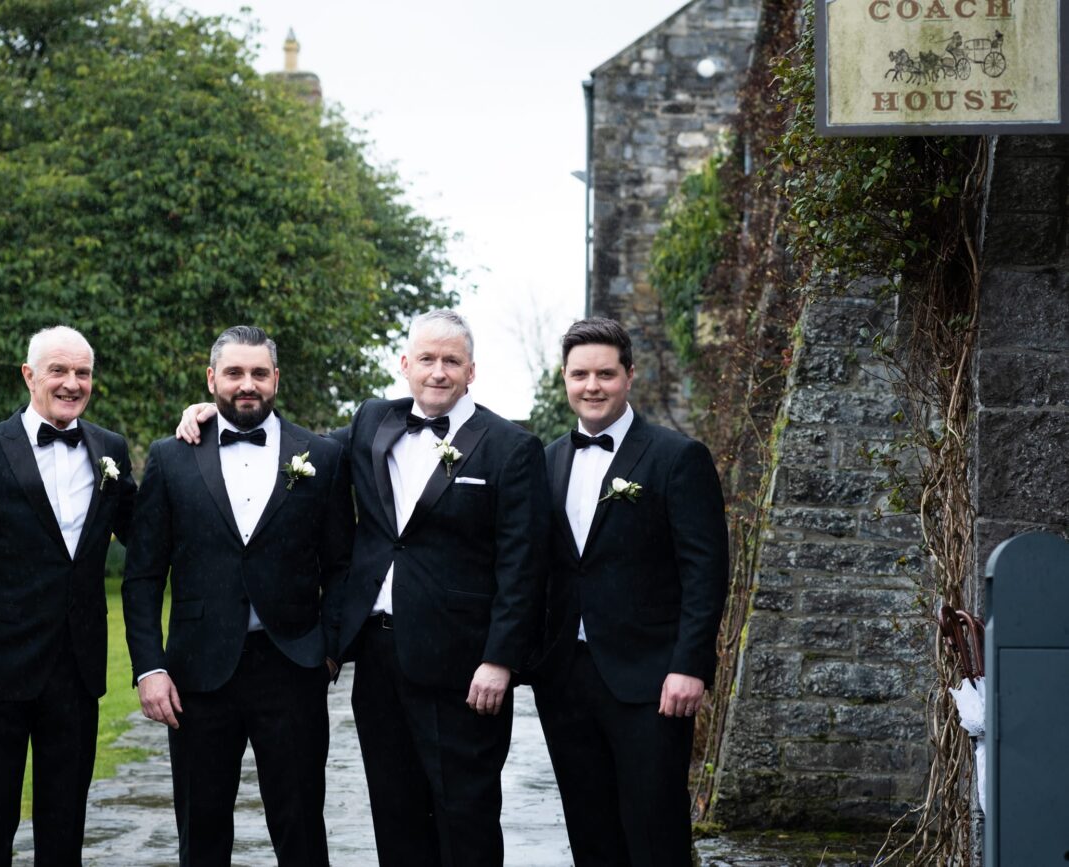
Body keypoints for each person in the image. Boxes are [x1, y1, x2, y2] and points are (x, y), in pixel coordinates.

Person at [176, 309, 550, 867]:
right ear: (405, 365)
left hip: (462, 665)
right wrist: (219, 417)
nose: (438, 372)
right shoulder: (374, 421)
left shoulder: (511, 447)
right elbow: (297, 453)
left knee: (464, 817)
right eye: (426, 359)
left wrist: (500, 659)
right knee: (394, 816)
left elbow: (524, 565)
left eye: (451, 361)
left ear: (472, 371)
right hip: (378, 660)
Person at [124, 325, 353, 867]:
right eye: (233, 373)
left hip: (293, 667)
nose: (246, 384)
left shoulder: (321, 455)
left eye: (258, 373)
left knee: (300, 828)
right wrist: (149, 668)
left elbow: (342, 563)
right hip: (197, 675)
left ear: (275, 378)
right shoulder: (170, 456)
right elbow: (142, 575)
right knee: (200, 834)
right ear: (211, 380)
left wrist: (329, 647)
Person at [0, 325, 137, 866]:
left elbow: (149, 532)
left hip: (77, 668)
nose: (72, 383)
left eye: (83, 373)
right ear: (29, 376)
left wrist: (201, 422)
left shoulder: (110, 450)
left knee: (65, 829)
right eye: (59, 371)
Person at [531, 317, 728, 867]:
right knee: (589, 832)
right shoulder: (545, 462)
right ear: (564, 380)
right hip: (565, 676)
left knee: (655, 831)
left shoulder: (676, 457)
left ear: (630, 376)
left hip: (651, 680)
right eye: (580, 374)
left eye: (605, 374)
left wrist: (690, 665)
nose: (592, 386)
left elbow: (706, 570)